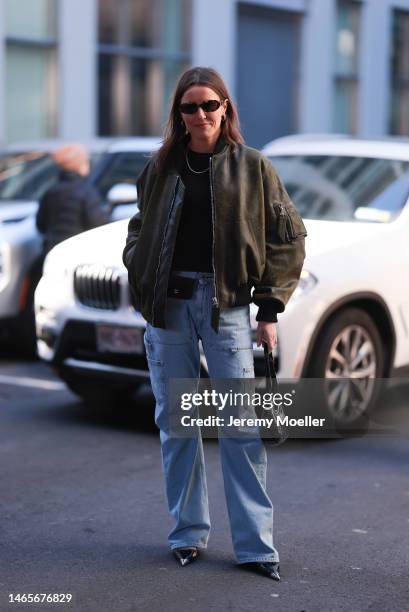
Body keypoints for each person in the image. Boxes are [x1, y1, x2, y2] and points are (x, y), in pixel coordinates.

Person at [122, 67, 307, 582]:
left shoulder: (253, 168)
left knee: (240, 429)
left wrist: (268, 309)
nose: (200, 115)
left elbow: (287, 239)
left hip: (224, 307)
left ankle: (255, 546)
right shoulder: (162, 167)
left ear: (225, 108)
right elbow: (139, 227)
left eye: (209, 105)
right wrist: (140, 268)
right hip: (168, 309)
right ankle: (187, 534)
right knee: (176, 426)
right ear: (177, 116)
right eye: (189, 107)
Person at [36, 144, 111, 254]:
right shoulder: (87, 191)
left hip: (52, 251)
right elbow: (98, 223)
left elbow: (41, 225)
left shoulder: (51, 191)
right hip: (78, 251)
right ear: (81, 165)